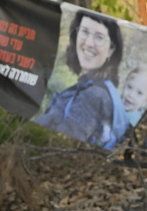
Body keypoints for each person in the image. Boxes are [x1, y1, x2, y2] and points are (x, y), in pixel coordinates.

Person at [35, 9, 129, 150]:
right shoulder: (87, 87)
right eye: (84, 32)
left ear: (111, 50)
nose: (89, 43)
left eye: (99, 37)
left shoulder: (94, 95)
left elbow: (63, 144)